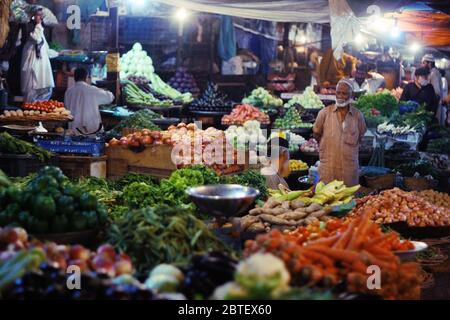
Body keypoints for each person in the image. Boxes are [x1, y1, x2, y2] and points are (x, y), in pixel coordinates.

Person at [313, 79, 367, 187]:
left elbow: (361, 137)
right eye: (338, 92)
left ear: (351, 95)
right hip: (328, 170)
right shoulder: (324, 113)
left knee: (349, 201)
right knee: (326, 200)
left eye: (344, 93)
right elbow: (316, 134)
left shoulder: (357, 116)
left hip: (349, 171)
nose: (340, 96)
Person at [65, 68, 114, 135]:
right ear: (86, 77)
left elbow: (67, 108)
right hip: (92, 130)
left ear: (74, 78)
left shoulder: (68, 92)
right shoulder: (92, 90)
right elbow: (110, 97)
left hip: (74, 130)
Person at [21, 7, 54, 103]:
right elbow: (36, 38)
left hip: (41, 62)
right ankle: (29, 105)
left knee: (44, 84)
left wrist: (57, 53)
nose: (40, 17)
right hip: (32, 59)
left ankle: (39, 105)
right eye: (38, 15)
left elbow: (45, 47)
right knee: (32, 85)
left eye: (41, 15)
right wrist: (39, 25)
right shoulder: (32, 28)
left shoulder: (40, 28)